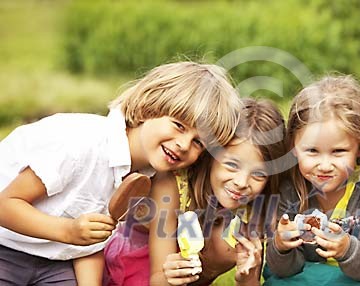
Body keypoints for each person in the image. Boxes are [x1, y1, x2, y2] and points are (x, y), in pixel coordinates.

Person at [0, 61, 242, 286]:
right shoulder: (83, 144)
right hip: (7, 243)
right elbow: (5, 205)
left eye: (198, 142)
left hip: (56, 259)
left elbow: (93, 247)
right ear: (149, 107)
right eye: (178, 125)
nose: (183, 144)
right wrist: (68, 231)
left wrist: (169, 275)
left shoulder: (159, 182)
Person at [265, 75, 360, 285]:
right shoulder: (290, 189)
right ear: (293, 146)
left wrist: (347, 250)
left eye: (338, 151)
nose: (325, 165)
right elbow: (283, 271)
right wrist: (281, 247)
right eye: (312, 151)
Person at [155, 98, 287, 286]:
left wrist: (247, 279)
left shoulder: (251, 220)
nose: (241, 182)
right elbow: (156, 279)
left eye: (259, 174)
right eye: (232, 165)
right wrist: (169, 276)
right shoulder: (172, 186)